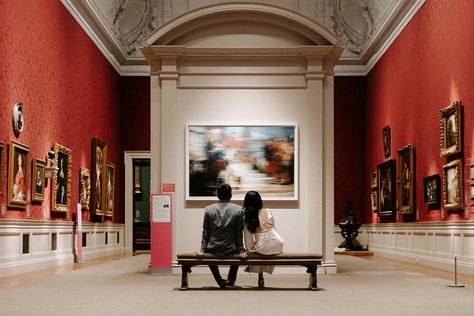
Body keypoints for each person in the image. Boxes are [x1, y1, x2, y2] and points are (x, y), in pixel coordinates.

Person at [196, 184, 247, 288]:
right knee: (238, 250)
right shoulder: (238, 210)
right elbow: (238, 233)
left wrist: (202, 250)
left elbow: (206, 232)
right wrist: (241, 250)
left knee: (207, 251)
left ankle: (219, 280)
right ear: (231, 195)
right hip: (231, 248)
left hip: (213, 248)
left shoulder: (209, 209)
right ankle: (231, 279)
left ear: (217, 195)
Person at [243, 191, 284, 274]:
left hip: (263, 247)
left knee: (255, 250)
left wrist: (250, 250)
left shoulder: (247, 217)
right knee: (263, 247)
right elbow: (274, 229)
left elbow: (248, 240)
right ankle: (260, 275)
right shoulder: (268, 211)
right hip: (279, 244)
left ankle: (255, 271)